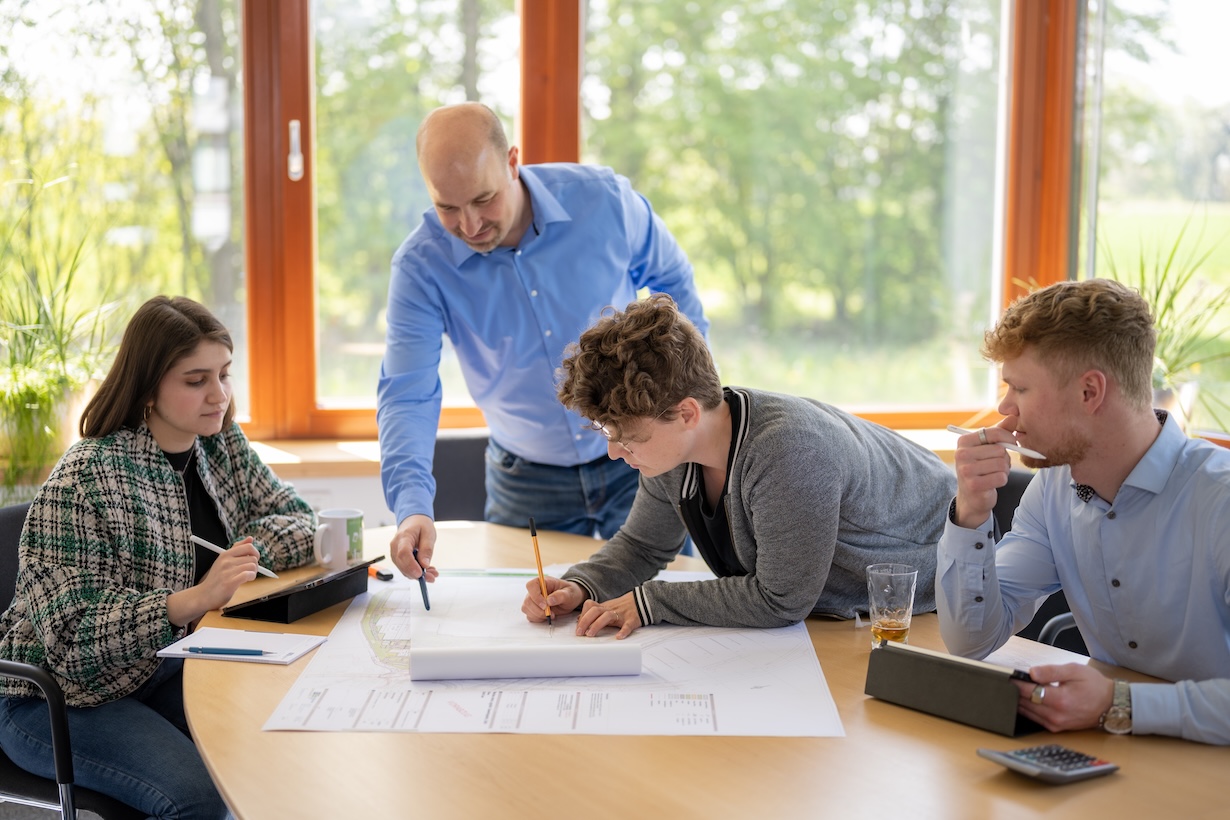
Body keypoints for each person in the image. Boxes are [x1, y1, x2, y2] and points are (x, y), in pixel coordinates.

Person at [0, 296, 317, 816]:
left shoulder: (218, 442)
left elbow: (298, 517)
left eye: (224, 374)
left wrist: (241, 556)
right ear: (148, 388)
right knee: (200, 798)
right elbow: (71, 640)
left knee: (278, 741)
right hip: (56, 697)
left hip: (160, 670)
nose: (219, 396)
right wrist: (191, 600)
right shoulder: (88, 475)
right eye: (196, 381)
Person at [378, 101, 708, 583]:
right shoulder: (420, 266)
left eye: (483, 199)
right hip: (526, 478)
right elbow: (408, 391)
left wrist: (685, 402)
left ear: (512, 162)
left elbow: (674, 282)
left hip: (643, 454)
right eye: (447, 207)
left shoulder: (604, 201)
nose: (470, 226)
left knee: (670, 604)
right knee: (531, 620)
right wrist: (411, 507)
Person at [519, 294, 956, 637]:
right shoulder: (674, 450)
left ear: (687, 413)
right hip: (826, 619)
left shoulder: (788, 451)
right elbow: (643, 546)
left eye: (629, 437)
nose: (615, 452)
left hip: (928, 601)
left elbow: (780, 600)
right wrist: (581, 586)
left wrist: (649, 603)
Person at [937, 278, 1230, 746]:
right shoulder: (1053, 489)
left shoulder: (1220, 501)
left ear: (1090, 392)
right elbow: (972, 640)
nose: (1004, 408)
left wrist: (1121, 704)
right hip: (1121, 752)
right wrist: (970, 513)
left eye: (1021, 388)